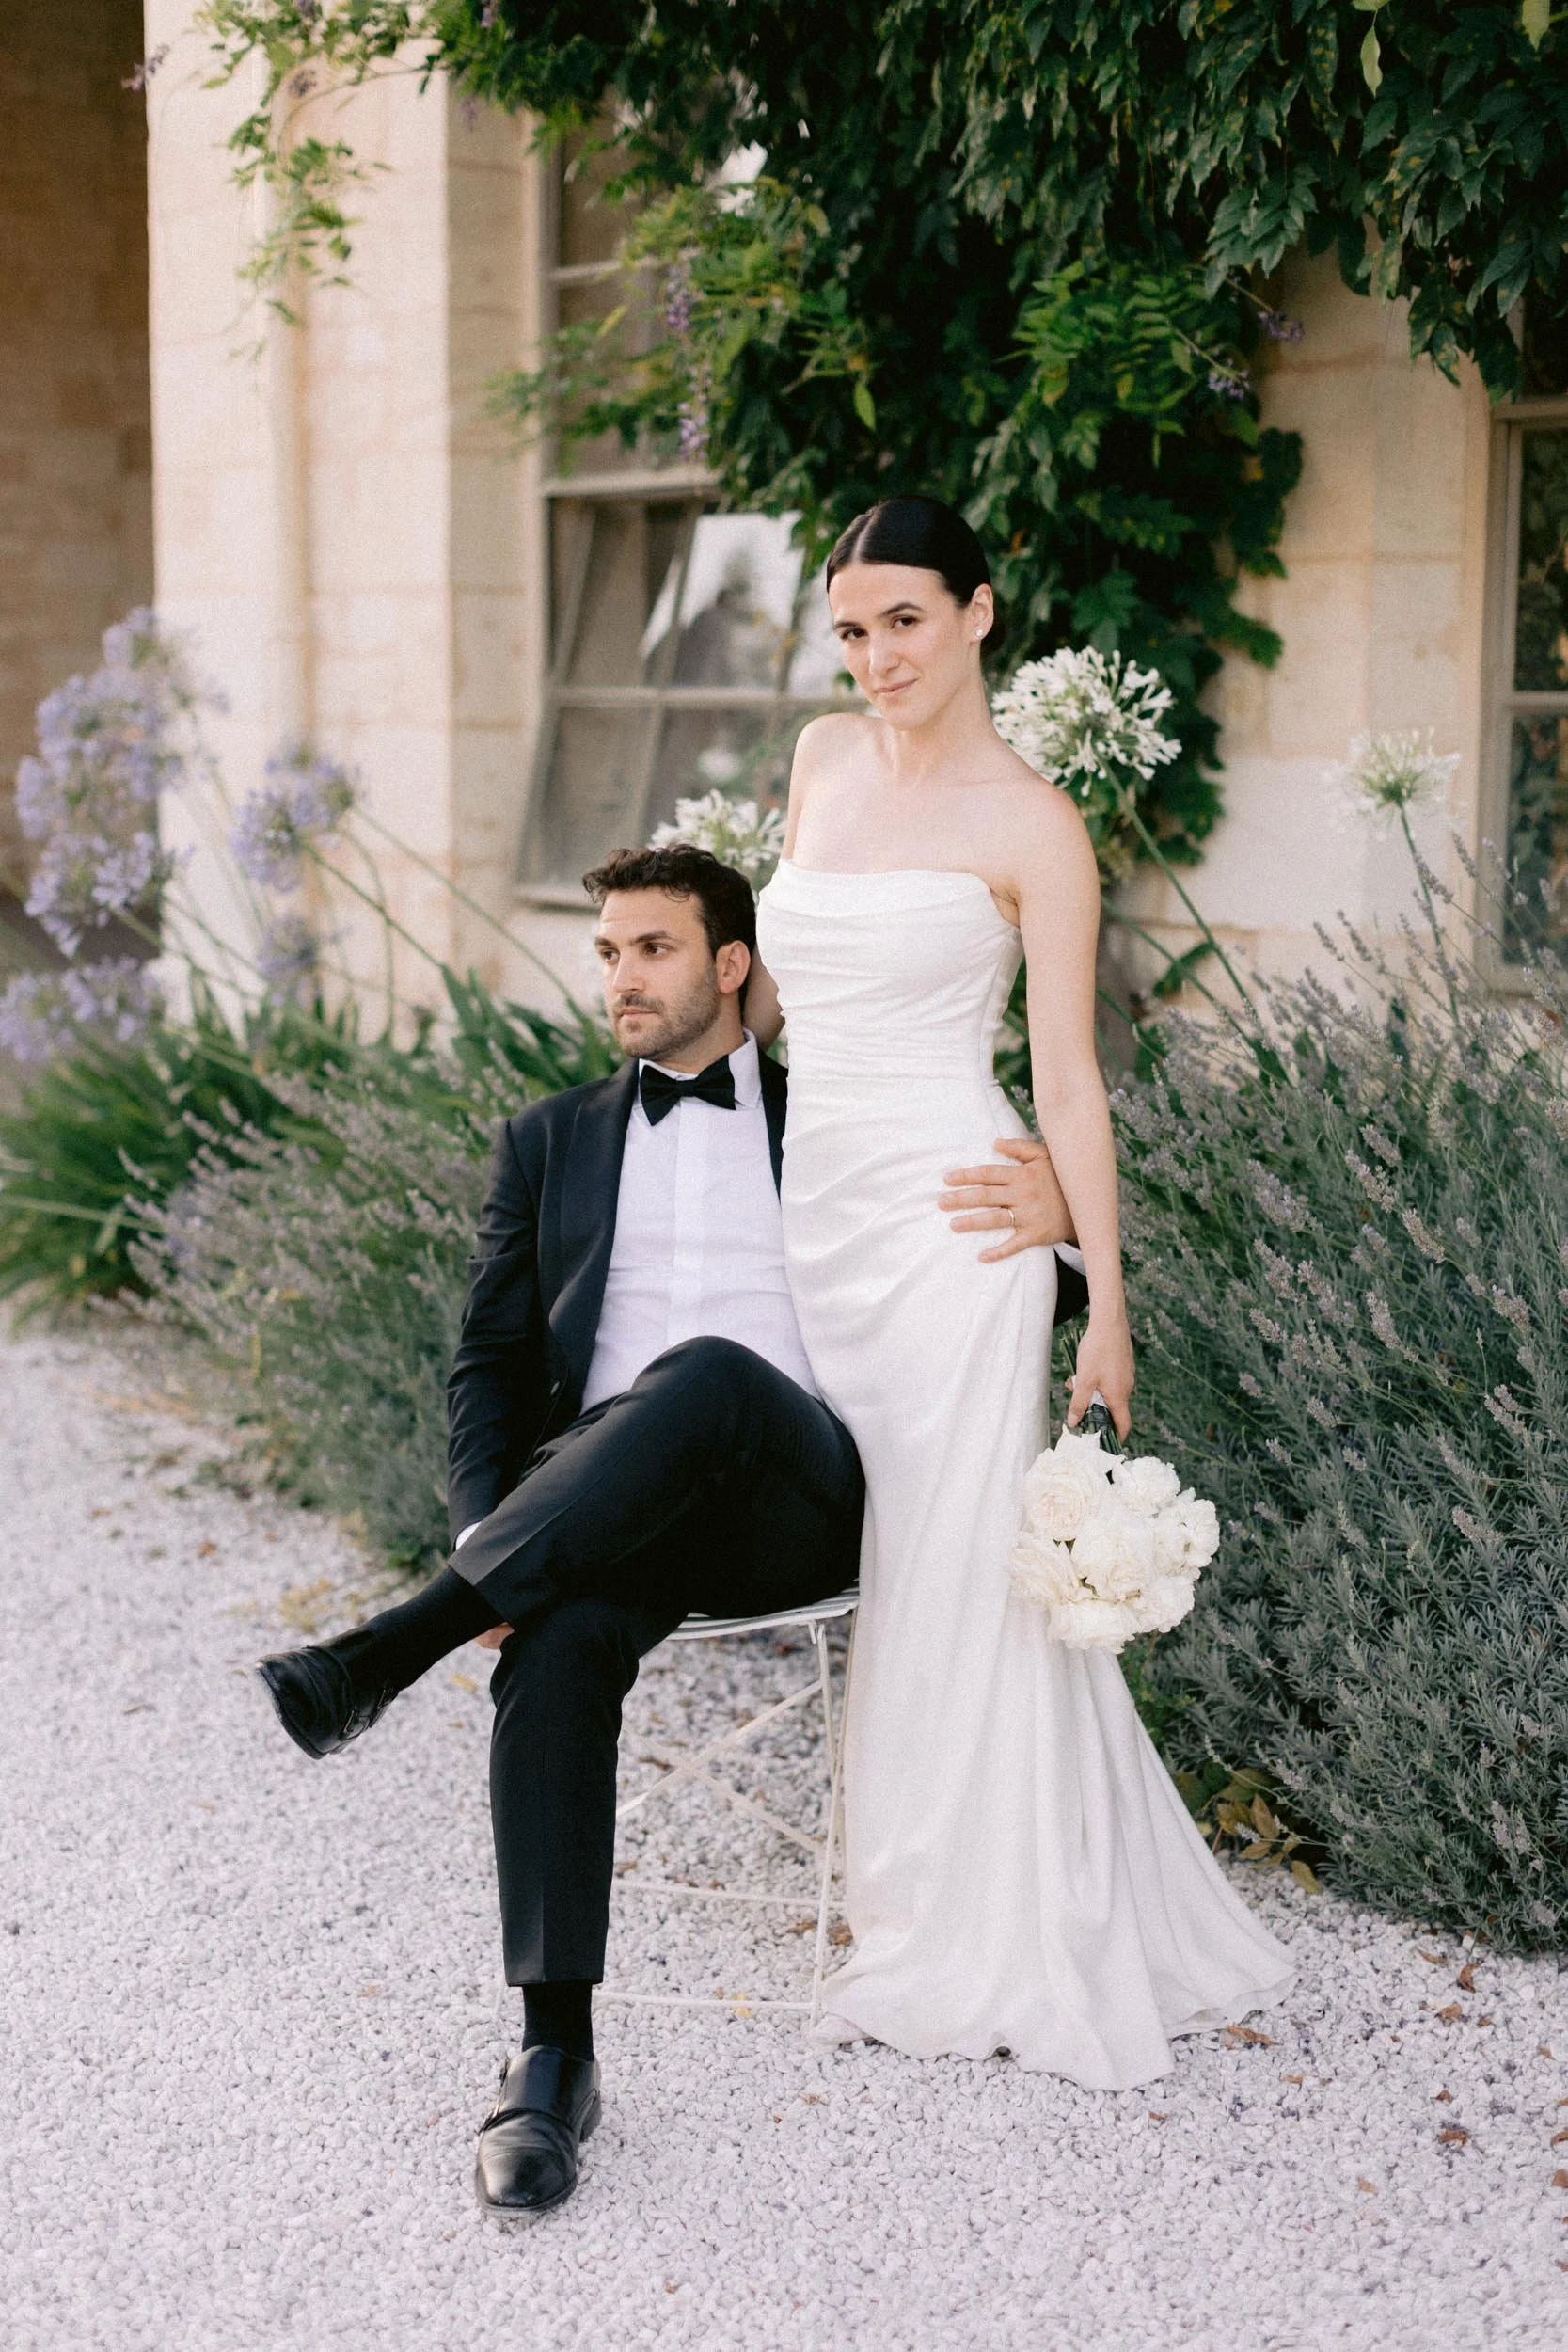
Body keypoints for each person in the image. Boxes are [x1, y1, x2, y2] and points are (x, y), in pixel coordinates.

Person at [257, 841, 1087, 2217]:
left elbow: (1001, 1277)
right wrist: (501, 1530)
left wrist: (1061, 1224)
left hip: (795, 1495)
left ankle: (401, 1642)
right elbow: (487, 1369)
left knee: (705, 1373)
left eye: (650, 950)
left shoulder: (828, 1112)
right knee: (559, 1644)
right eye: (606, 953)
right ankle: (550, 2059)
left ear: (729, 965)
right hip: (606, 1507)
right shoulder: (549, 1141)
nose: (620, 978)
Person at [748, 494, 1294, 2086]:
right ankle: (908, 1878)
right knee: (861, 1540)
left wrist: (1095, 1288)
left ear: (980, 614)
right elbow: (792, 997)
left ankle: (949, 1918)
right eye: (851, 630)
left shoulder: (1034, 824)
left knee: (945, 1571)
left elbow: (1067, 1076)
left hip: (960, 1232)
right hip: (815, 1217)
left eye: (905, 620)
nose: (876, 657)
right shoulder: (819, 765)